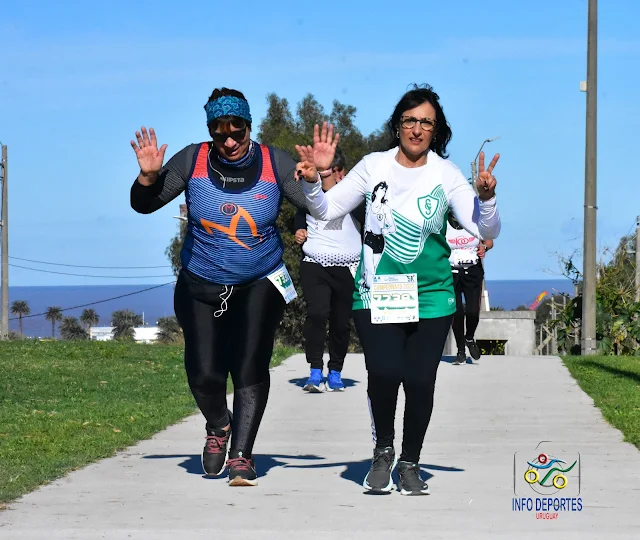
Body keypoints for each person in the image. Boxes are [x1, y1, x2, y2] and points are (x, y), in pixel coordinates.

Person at [296, 85, 501, 496]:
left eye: (426, 122)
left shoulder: (446, 174)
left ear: (436, 130)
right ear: (397, 125)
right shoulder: (373, 166)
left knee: (421, 380)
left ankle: (410, 462)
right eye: (410, 120)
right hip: (377, 293)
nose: (417, 129)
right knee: (385, 373)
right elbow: (326, 210)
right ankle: (383, 451)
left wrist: (488, 198)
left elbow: (484, 228)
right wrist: (316, 181)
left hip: (432, 295)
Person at [129, 87, 307, 487]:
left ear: (249, 126)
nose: (229, 141)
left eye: (236, 131)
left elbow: (316, 203)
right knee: (204, 373)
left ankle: (242, 456)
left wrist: (320, 178)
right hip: (200, 282)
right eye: (219, 132)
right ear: (210, 130)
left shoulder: (274, 162)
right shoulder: (192, 160)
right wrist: (148, 177)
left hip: (261, 280)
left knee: (250, 365)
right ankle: (219, 424)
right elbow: (143, 203)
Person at [293, 147, 361, 392]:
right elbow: (300, 216)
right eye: (327, 171)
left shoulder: (355, 199)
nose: (333, 176)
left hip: (348, 268)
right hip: (315, 265)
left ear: (342, 172)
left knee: (341, 323)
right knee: (317, 314)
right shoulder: (310, 195)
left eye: (335, 171)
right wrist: (299, 230)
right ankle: (314, 370)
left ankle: (335, 372)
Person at [446, 211, 494, 365]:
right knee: (456, 313)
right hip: (451, 273)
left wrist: (484, 248)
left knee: (473, 311)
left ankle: (469, 338)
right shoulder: (442, 222)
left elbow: (489, 241)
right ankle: (460, 351)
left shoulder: (475, 222)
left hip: (473, 272)